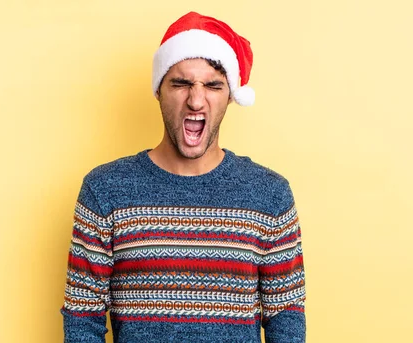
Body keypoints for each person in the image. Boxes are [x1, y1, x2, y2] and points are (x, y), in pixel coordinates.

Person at [61, 11, 306, 343]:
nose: (195, 99)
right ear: (159, 90)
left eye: (213, 85)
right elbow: (82, 318)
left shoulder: (270, 195)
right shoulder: (105, 190)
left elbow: (286, 319)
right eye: (181, 83)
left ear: (230, 96)